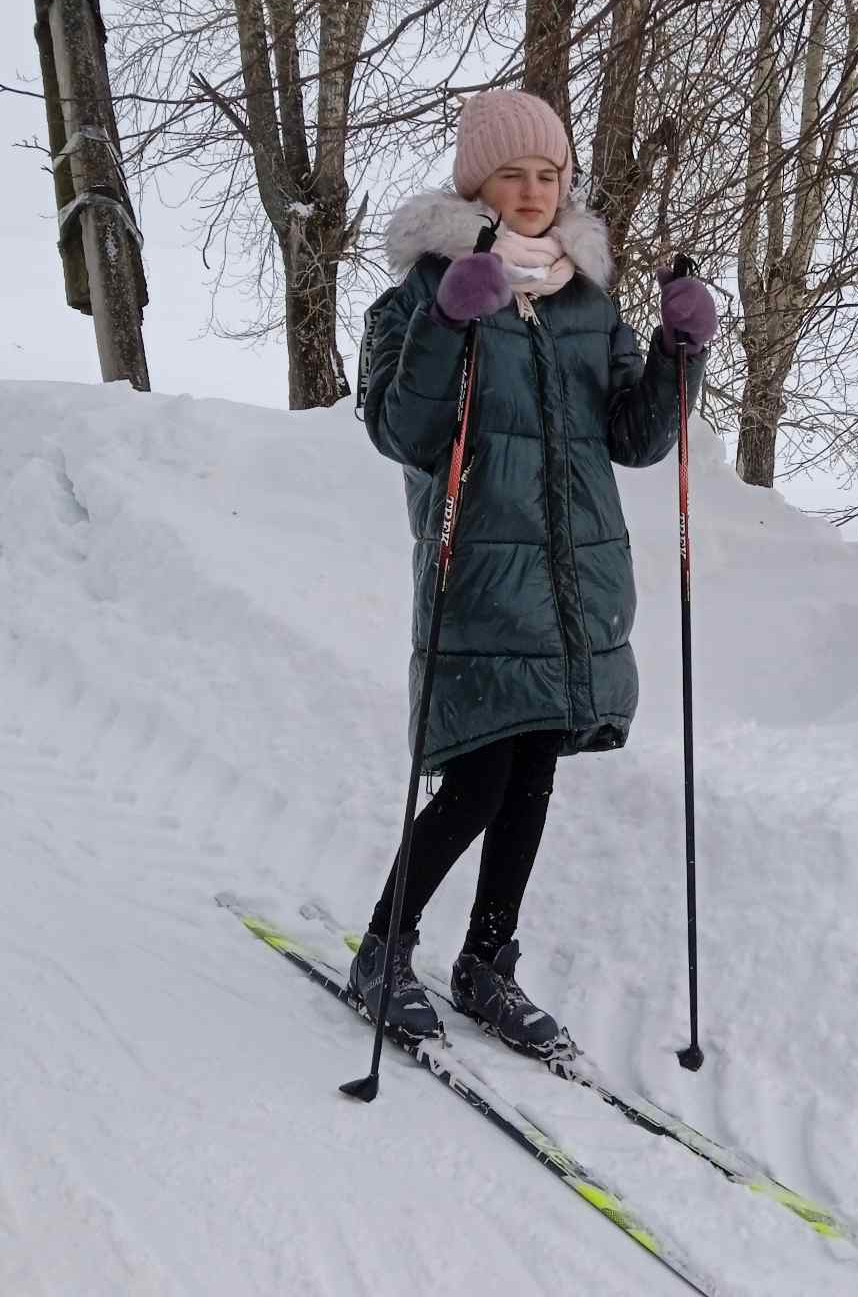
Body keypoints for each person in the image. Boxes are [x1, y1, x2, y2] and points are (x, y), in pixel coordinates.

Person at [353, 88, 718, 1055]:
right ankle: (383, 949)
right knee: (475, 783)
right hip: (479, 577)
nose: (531, 190)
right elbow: (405, 431)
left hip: (575, 587)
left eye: (548, 174)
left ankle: (487, 961)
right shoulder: (414, 297)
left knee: (530, 783)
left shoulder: (586, 303)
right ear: (478, 182)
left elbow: (636, 439)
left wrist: (683, 352)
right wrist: (446, 320)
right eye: (512, 173)